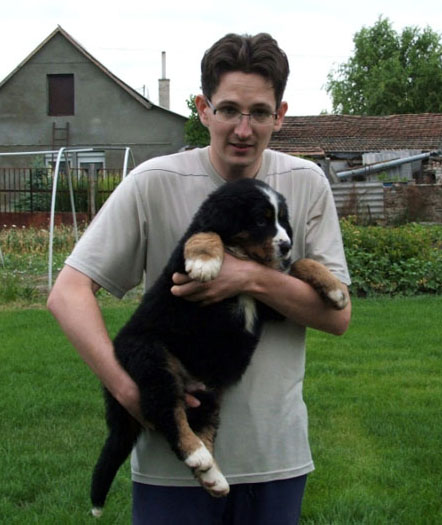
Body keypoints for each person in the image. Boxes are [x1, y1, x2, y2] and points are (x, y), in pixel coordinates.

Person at [48, 33, 351, 525]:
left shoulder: (306, 183)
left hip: (275, 456)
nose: (243, 129)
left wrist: (247, 277)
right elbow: (67, 293)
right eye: (228, 109)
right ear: (203, 109)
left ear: (280, 115)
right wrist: (132, 393)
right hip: (170, 468)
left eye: (259, 112)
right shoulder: (153, 181)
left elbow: (338, 318)